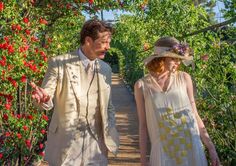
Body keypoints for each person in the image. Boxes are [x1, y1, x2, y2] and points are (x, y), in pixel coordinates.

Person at [30, 19, 119, 166]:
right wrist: (43, 99)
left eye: (109, 42)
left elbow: (109, 106)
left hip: (96, 145)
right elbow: (46, 96)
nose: (108, 47)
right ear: (88, 40)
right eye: (104, 42)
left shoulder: (106, 69)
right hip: (66, 142)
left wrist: (110, 131)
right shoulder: (59, 63)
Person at [134, 37, 220, 166]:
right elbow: (143, 126)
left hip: (191, 147)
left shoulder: (184, 78)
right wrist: (143, 160)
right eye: (174, 59)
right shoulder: (141, 85)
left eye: (179, 59)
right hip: (163, 152)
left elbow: (195, 114)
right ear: (161, 59)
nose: (178, 63)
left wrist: (211, 148)